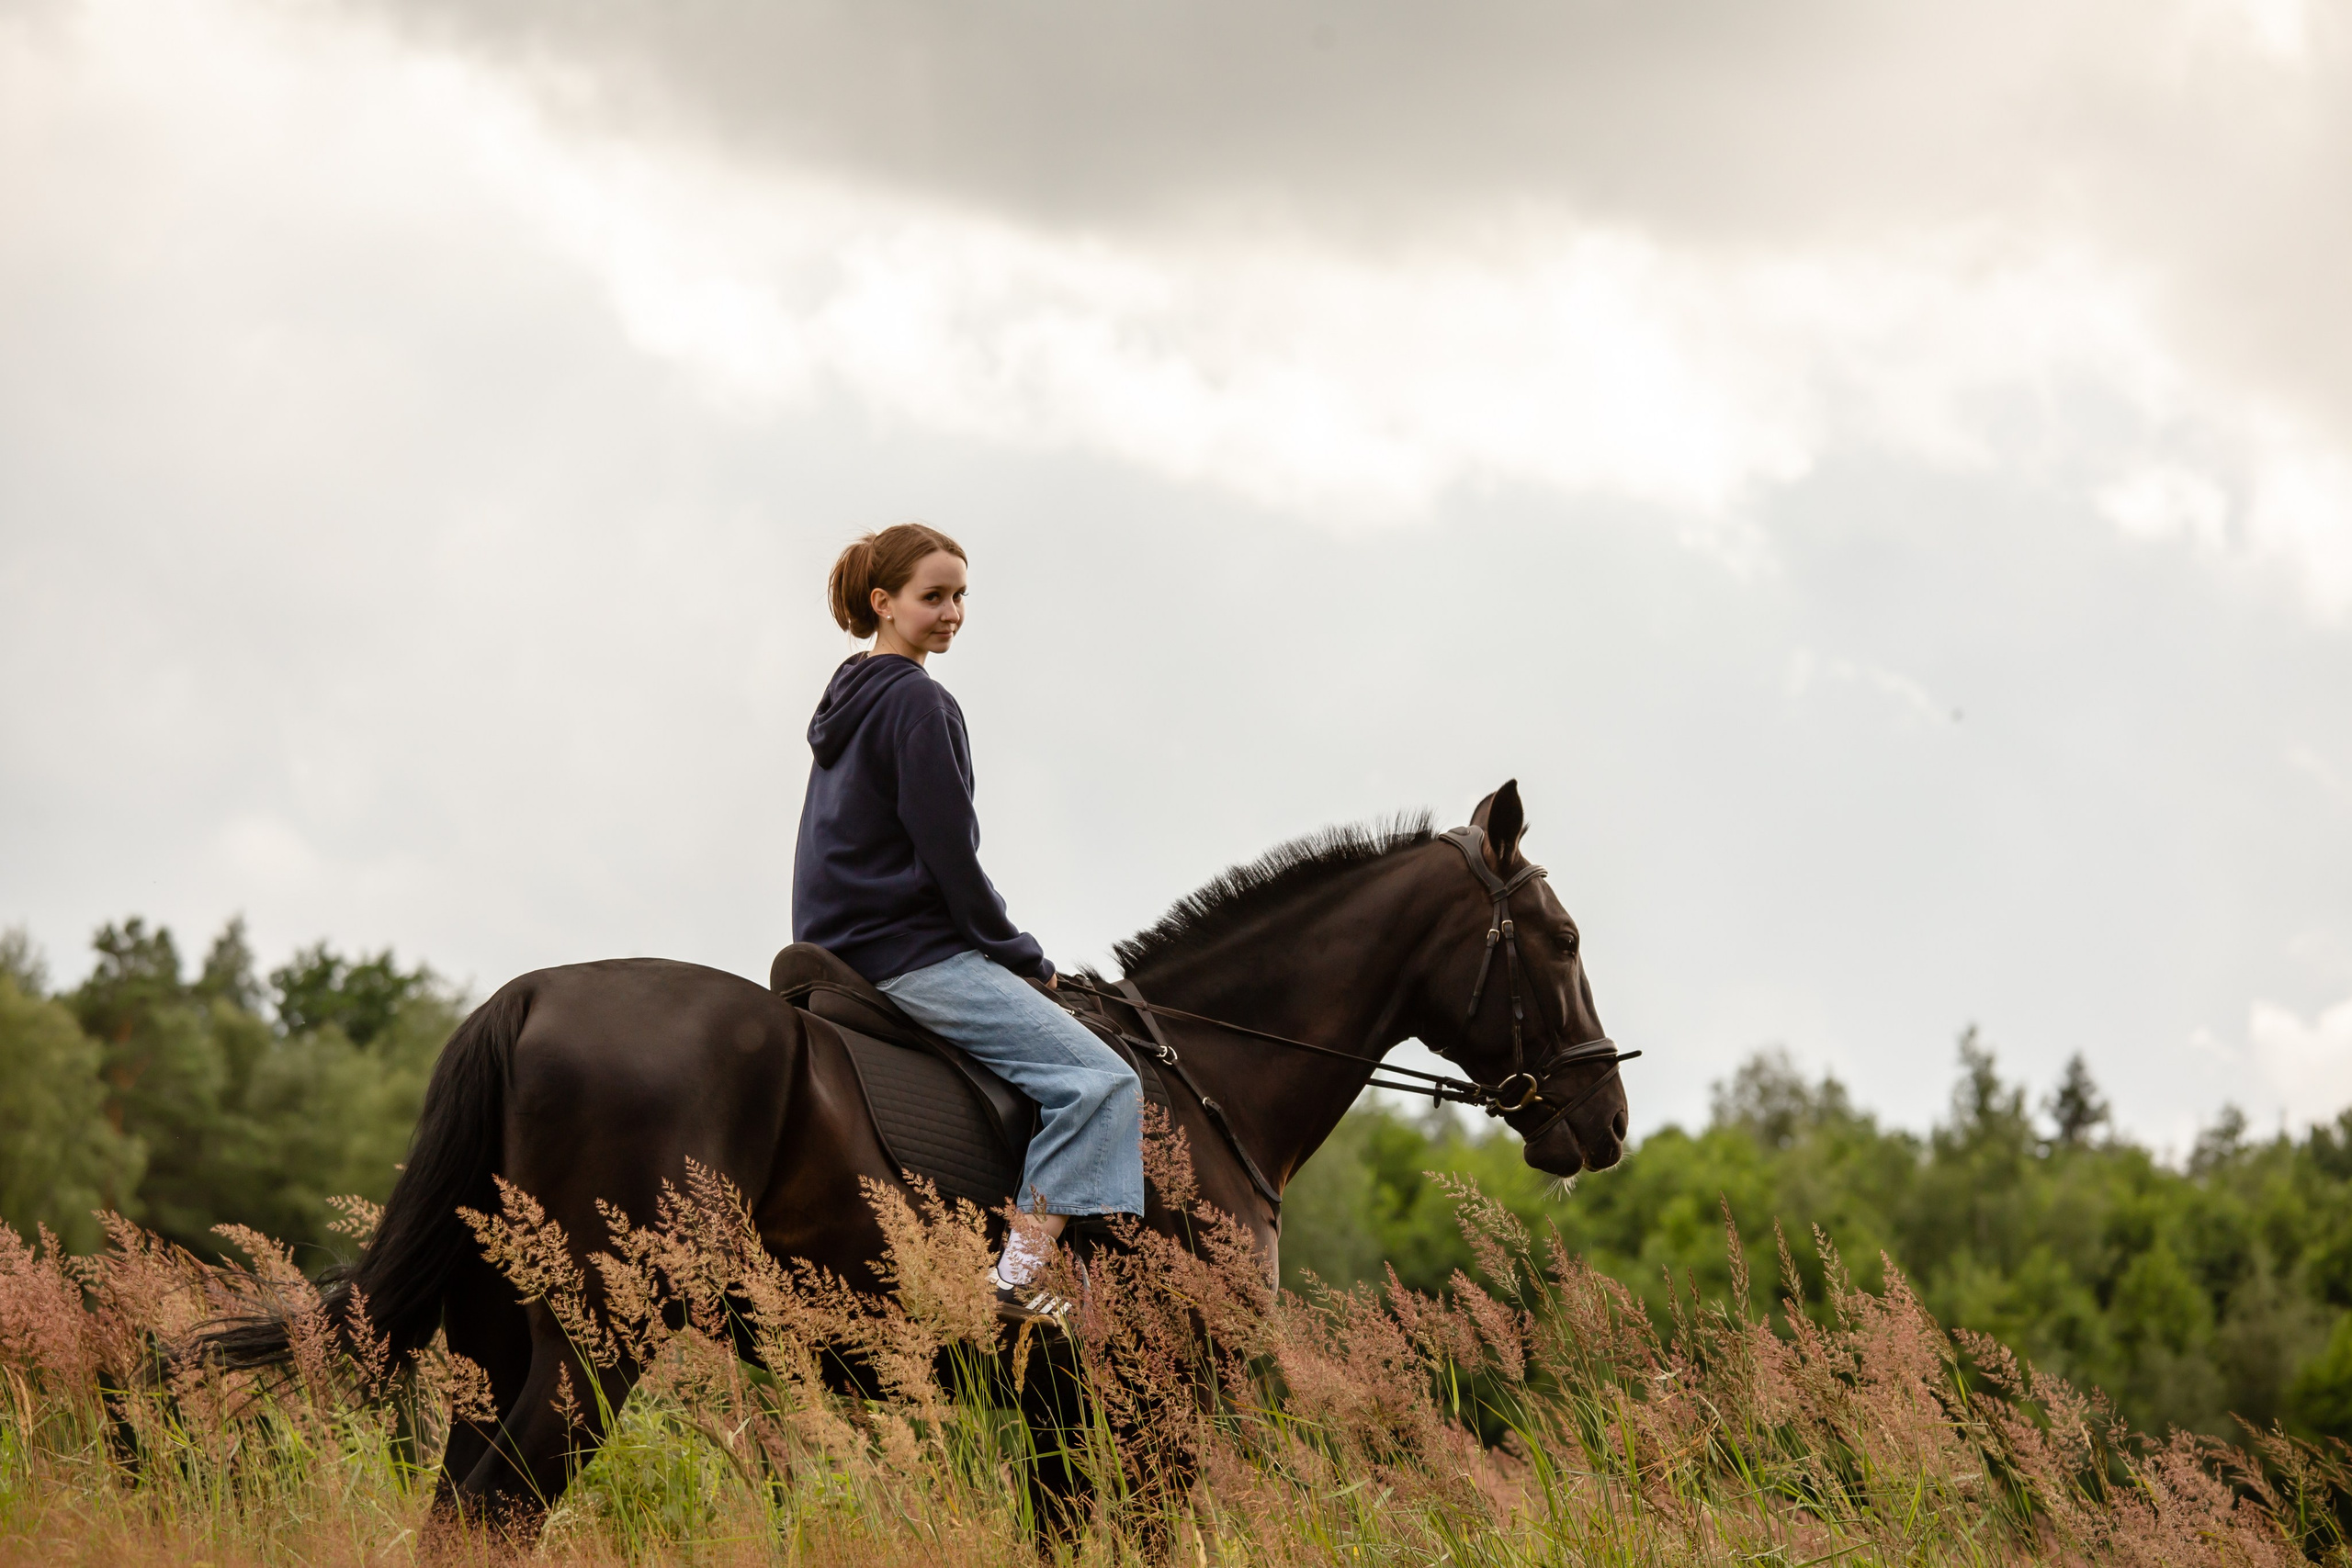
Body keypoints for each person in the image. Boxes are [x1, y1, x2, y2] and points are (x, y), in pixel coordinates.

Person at [792, 522, 1143, 1317]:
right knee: (1100, 1079)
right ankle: (1016, 1278)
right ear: (882, 602)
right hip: (909, 950)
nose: (951, 612)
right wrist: (1017, 951)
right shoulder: (919, 700)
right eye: (932, 597)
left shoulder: (849, 694)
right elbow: (950, 854)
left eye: (960, 597)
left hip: (834, 939)